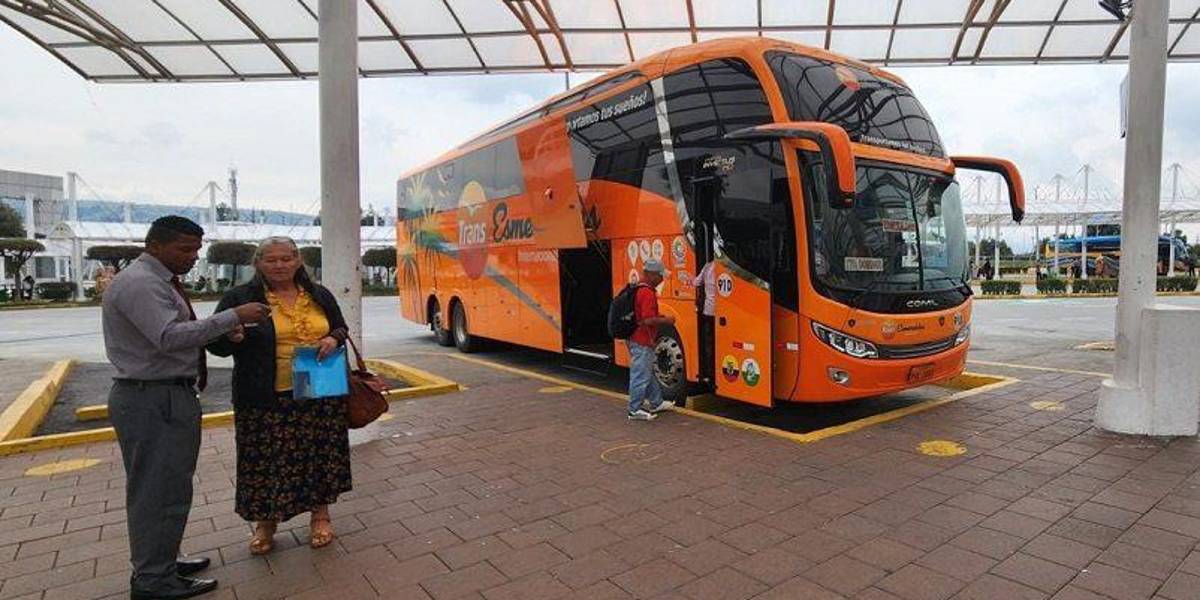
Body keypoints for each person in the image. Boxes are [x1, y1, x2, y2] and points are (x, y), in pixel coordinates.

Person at [102, 216, 269, 600]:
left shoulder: (157, 282)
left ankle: (161, 561)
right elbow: (167, 337)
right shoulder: (142, 284)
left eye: (196, 248)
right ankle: (153, 580)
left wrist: (223, 330)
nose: (194, 257)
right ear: (156, 245)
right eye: (185, 249)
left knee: (168, 487)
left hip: (163, 395)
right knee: (157, 490)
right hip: (152, 398)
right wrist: (232, 316)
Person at [207, 236, 352, 555]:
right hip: (264, 394)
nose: (280, 265)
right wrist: (234, 334)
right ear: (257, 263)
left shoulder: (318, 294)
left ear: (298, 261)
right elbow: (215, 344)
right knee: (264, 460)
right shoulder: (241, 297)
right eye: (271, 259)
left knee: (320, 454)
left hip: (318, 387)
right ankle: (265, 523)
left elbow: (341, 328)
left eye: (286, 258)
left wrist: (331, 338)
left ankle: (321, 516)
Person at [627, 259, 675, 421]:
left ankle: (657, 402)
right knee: (640, 375)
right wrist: (666, 321)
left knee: (647, 372)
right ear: (652, 275)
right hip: (641, 339)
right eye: (660, 276)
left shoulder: (639, 288)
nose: (662, 279)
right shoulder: (647, 293)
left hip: (638, 337)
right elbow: (647, 320)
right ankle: (634, 409)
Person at [693, 260, 716, 384]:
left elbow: (696, 282)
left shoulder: (708, 266)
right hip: (723, 312)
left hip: (708, 312)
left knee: (710, 345)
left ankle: (711, 374)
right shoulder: (726, 267)